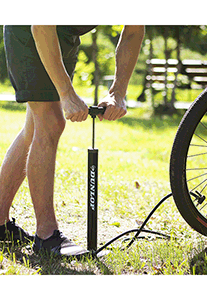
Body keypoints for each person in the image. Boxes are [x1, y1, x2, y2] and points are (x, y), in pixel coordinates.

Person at [0, 25, 145, 257]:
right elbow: (41, 23)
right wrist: (67, 93)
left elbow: (133, 30)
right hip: (31, 29)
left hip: (65, 37)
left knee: (35, 128)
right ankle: (46, 236)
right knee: (50, 121)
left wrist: (118, 91)